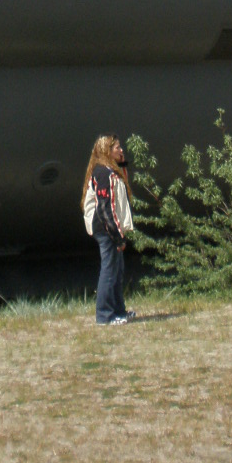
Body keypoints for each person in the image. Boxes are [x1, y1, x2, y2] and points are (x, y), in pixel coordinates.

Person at [81, 135, 133, 325]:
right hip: (106, 228)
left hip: (111, 227)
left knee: (117, 270)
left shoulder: (112, 171)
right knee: (109, 270)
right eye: (117, 148)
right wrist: (117, 236)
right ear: (106, 151)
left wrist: (121, 162)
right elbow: (105, 208)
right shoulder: (103, 173)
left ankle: (119, 311)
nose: (121, 151)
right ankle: (105, 315)